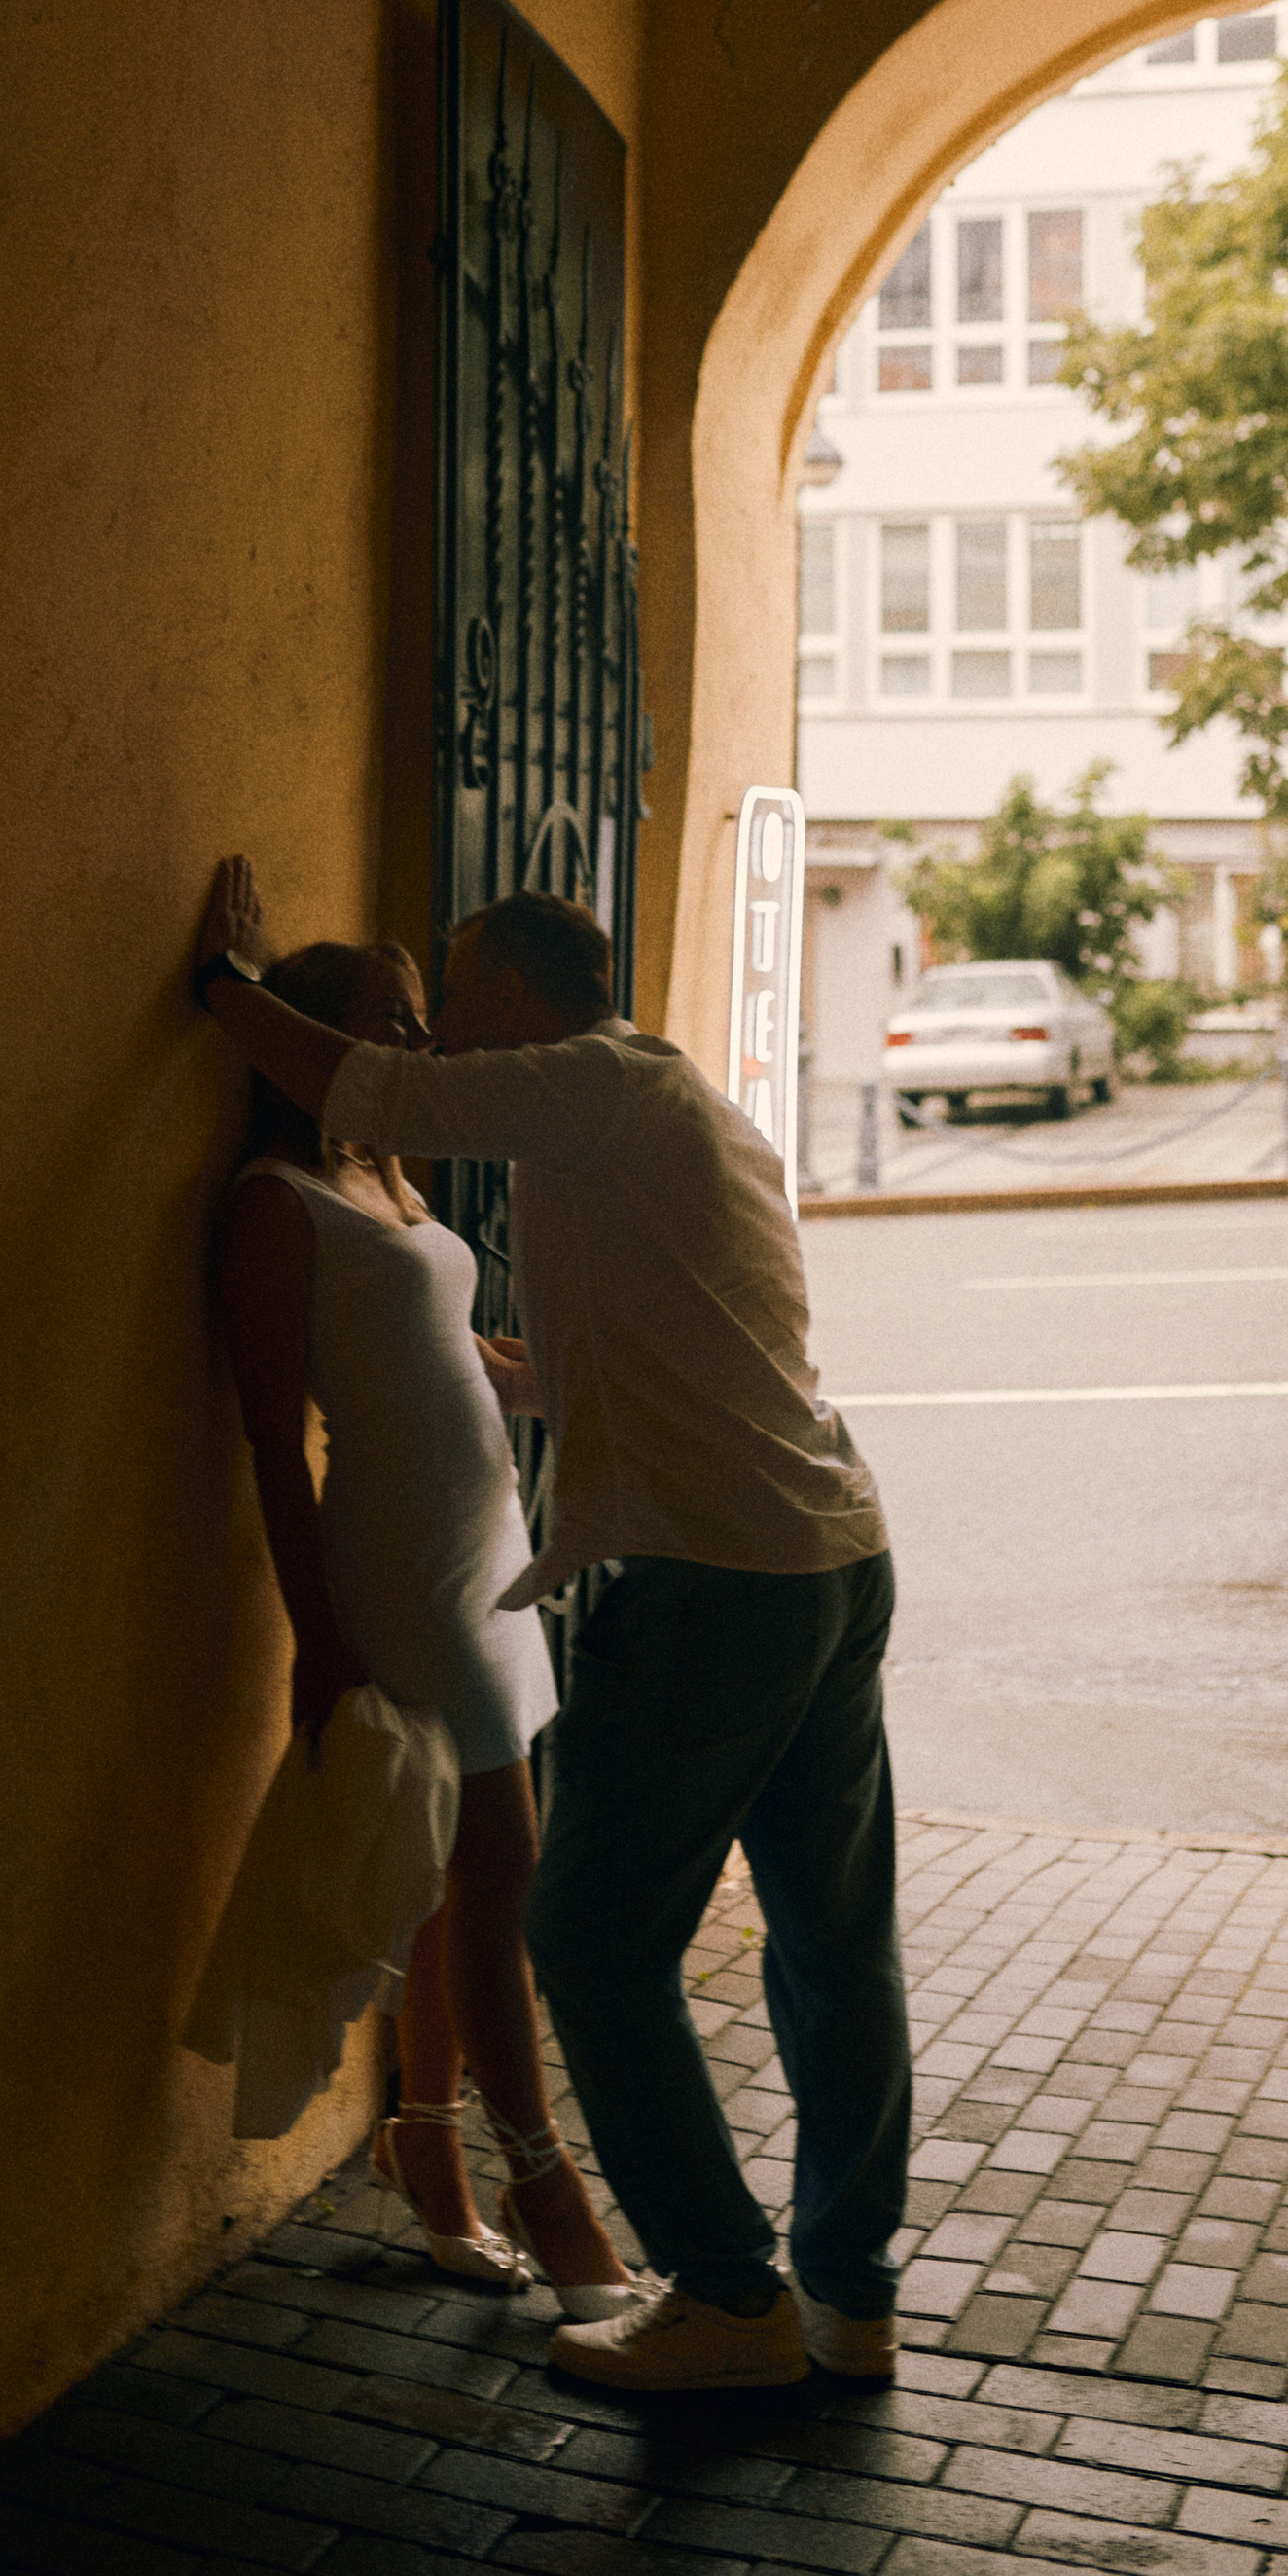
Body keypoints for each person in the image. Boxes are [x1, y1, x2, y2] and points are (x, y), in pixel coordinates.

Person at [193, 859, 910, 2396]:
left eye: (452, 997)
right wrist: (497, 1376)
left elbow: (356, 1079)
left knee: (583, 1935)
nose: (440, 1034)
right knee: (836, 1944)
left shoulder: (583, 1087)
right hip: (830, 1550)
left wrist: (219, 988)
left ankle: (725, 2296)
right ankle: (848, 2298)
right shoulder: (671, 1099)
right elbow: (650, 1344)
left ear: (516, 998)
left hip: (717, 1580)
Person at [213, 934, 630, 2316]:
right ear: (306, 1041)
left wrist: (610, 1386)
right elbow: (278, 1446)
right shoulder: (274, 1205)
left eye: (415, 1019)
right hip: (397, 1568)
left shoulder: (391, 1179)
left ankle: (428, 2150)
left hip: (487, 1554)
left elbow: (461, 1364)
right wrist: (316, 1641)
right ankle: (537, 2182)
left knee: (469, 1881)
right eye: (388, 1021)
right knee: (502, 1866)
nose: (415, 1046)